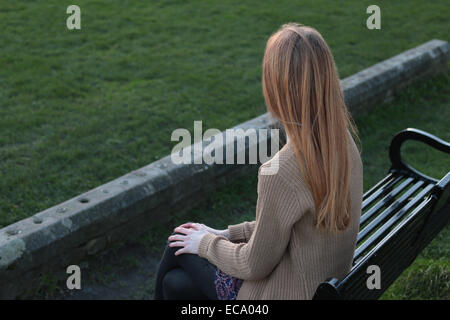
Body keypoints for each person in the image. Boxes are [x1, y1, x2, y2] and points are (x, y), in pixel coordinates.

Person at [153, 22, 363, 300]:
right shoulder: (341, 143)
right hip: (324, 284)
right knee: (176, 283)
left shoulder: (282, 171)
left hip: (283, 293)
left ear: (276, 87)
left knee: (176, 244)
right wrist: (225, 233)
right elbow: (284, 227)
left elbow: (253, 264)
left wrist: (205, 243)